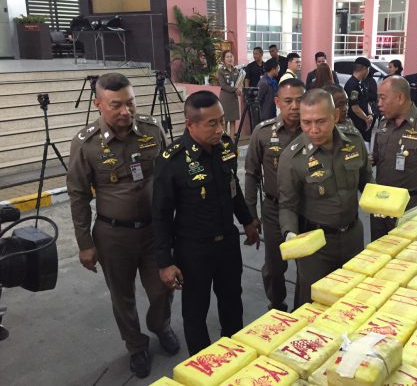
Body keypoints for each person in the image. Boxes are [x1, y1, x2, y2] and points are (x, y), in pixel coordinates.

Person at [67, 73, 178, 378]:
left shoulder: (152, 129)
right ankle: (136, 344)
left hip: (155, 231)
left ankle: (160, 325)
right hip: (113, 235)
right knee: (122, 296)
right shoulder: (86, 143)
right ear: (98, 104)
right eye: (116, 105)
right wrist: (85, 244)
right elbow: (78, 195)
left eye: (130, 102)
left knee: (163, 289)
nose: (125, 111)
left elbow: (169, 177)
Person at [152, 91, 261, 356]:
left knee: (232, 303)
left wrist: (247, 221)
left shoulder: (225, 148)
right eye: (212, 123)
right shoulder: (172, 161)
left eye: (221, 120)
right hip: (193, 250)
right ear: (190, 124)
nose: (220, 128)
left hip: (227, 244)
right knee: (195, 312)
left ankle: (234, 358)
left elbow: (233, 189)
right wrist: (165, 262)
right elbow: (161, 215)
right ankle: (202, 367)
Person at [277, 89, 372, 307]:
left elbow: (367, 180)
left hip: (353, 238)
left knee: (353, 301)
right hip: (316, 248)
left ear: (335, 116)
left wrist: (382, 202)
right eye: (306, 122)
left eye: (320, 121)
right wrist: (290, 233)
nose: (314, 129)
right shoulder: (292, 157)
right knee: (314, 305)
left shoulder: (354, 141)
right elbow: (287, 205)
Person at [244, 79, 305, 312]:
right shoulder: (262, 132)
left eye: (300, 100)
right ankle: (277, 306)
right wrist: (251, 214)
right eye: (288, 101)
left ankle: (302, 309)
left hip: (307, 208)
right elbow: (251, 174)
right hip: (274, 210)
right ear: (277, 102)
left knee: (307, 265)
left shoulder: (313, 130)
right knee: (274, 266)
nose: (294, 106)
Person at [370, 76, 417, 239]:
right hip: (380, 203)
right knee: (376, 248)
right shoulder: (383, 123)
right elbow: (376, 156)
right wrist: (370, 159)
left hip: (409, 207)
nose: (379, 104)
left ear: (400, 98)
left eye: (383, 98)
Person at [345, 57, 374, 143]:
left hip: (364, 122)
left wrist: (370, 114)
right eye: (368, 69)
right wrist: (366, 119)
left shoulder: (360, 83)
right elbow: (355, 107)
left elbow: (366, 101)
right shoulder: (352, 84)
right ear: (365, 68)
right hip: (356, 124)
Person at [216, 50, 242, 137]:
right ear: (224, 59)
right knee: (225, 121)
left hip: (234, 98)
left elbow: (239, 83)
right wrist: (235, 89)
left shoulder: (236, 71)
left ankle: (232, 141)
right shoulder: (221, 71)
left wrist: (240, 90)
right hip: (225, 98)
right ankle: (224, 141)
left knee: (233, 121)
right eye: (227, 57)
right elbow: (223, 85)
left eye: (231, 57)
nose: (229, 59)